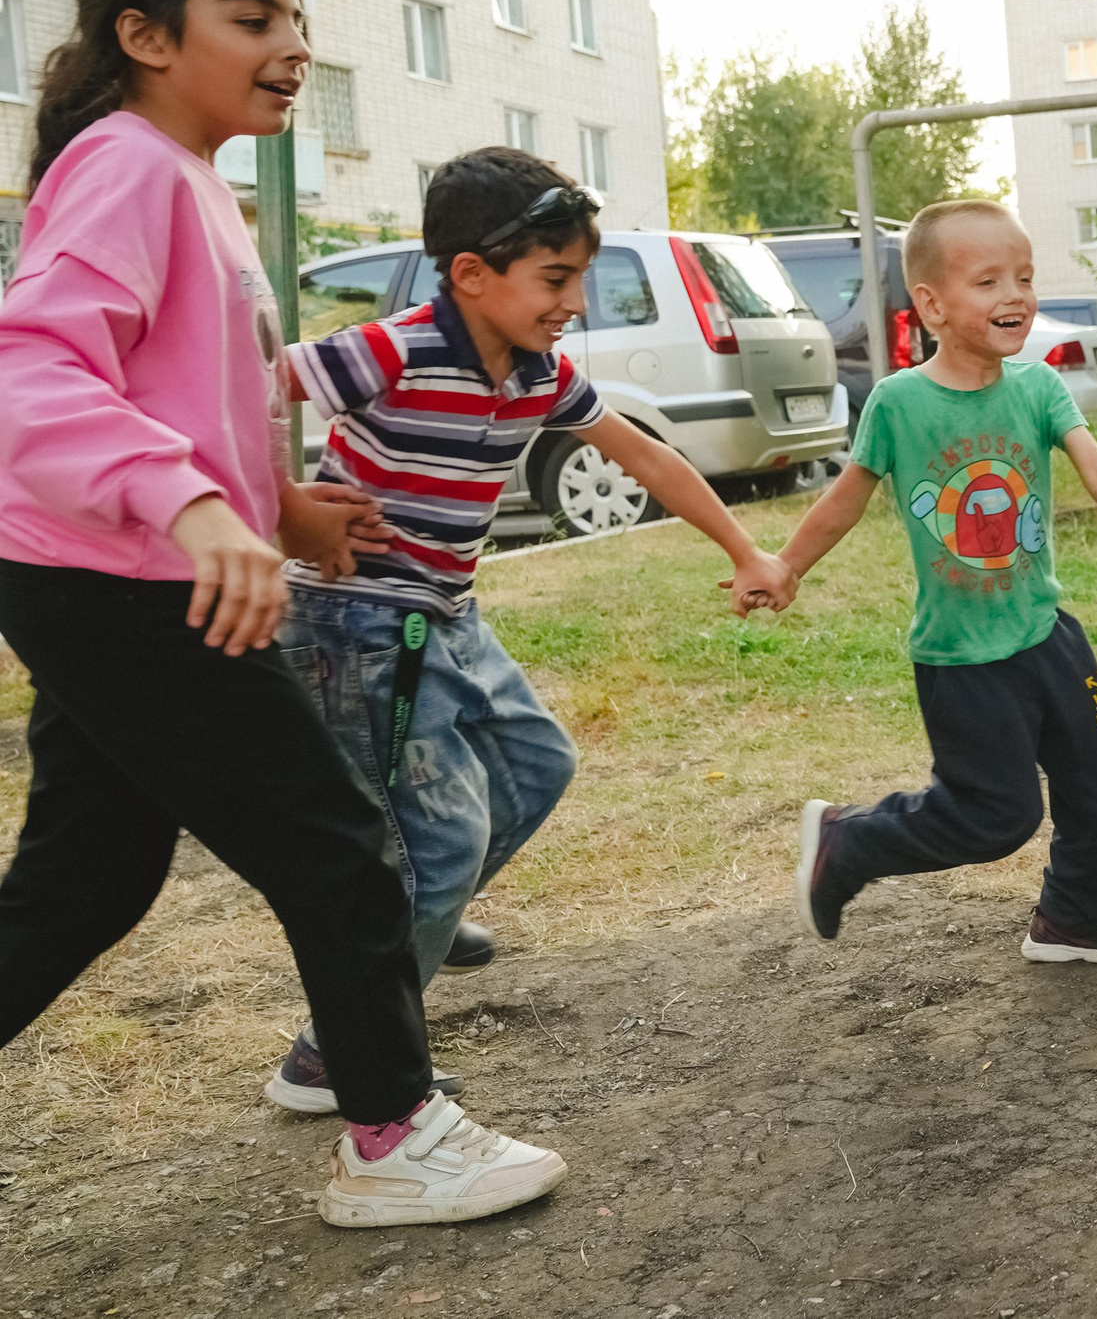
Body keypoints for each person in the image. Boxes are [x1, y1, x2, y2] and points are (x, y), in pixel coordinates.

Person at [0, 0, 564, 1227]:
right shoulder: (129, 165)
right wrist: (197, 509)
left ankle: (388, 1121)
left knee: (87, 877)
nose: (295, 46)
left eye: (298, 21)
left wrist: (277, 505)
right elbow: (33, 373)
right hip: (130, 575)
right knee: (340, 841)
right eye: (253, 18)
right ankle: (393, 1136)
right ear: (144, 36)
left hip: (111, 563)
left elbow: (186, 389)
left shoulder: (188, 175)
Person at [260, 149, 799, 1115]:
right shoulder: (391, 348)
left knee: (537, 764)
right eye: (556, 278)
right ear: (472, 273)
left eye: (580, 277)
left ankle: (421, 916)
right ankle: (335, 1051)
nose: (576, 303)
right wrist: (281, 501)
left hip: (446, 613)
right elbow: (244, 390)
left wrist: (745, 548)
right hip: (357, 625)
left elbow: (645, 457)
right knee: (438, 844)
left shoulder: (539, 373)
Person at [786, 200, 1097, 963]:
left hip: (1046, 632)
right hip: (964, 660)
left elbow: (1094, 462)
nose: (1016, 295)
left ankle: (1070, 917)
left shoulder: (1036, 387)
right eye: (989, 280)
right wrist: (786, 565)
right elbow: (844, 500)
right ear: (931, 304)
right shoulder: (900, 402)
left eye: (1025, 278)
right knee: (996, 814)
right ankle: (848, 841)